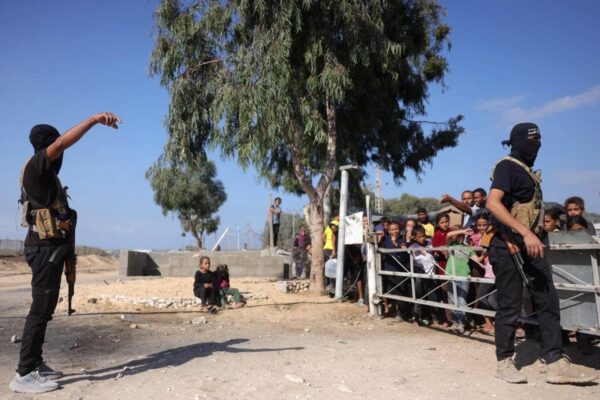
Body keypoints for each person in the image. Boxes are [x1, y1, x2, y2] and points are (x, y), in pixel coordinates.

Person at [9, 113, 122, 394]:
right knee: (39, 310)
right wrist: (94, 120)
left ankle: (35, 363)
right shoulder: (37, 165)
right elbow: (60, 144)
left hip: (50, 249)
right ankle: (24, 373)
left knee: (45, 309)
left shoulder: (45, 174)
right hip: (43, 249)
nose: (60, 154)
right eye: (56, 147)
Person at [485, 122, 597, 384]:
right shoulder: (507, 166)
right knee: (510, 304)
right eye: (532, 140)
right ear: (518, 142)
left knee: (548, 300)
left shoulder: (528, 172)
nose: (537, 144)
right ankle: (504, 361)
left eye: (539, 140)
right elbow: (493, 203)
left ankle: (555, 361)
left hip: (533, 245)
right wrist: (523, 233)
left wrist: (532, 235)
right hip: (509, 246)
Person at [445, 226, 479, 334]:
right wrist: (463, 231)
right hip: (451, 275)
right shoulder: (451, 244)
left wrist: (483, 252)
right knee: (452, 300)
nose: (459, 237)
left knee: (462, 300)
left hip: (464, 276)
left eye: (462, 235)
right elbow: (448, 235)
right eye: (457, 235)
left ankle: (461, 324)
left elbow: (477, 260)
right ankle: (455, 322)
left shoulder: (468, 248)